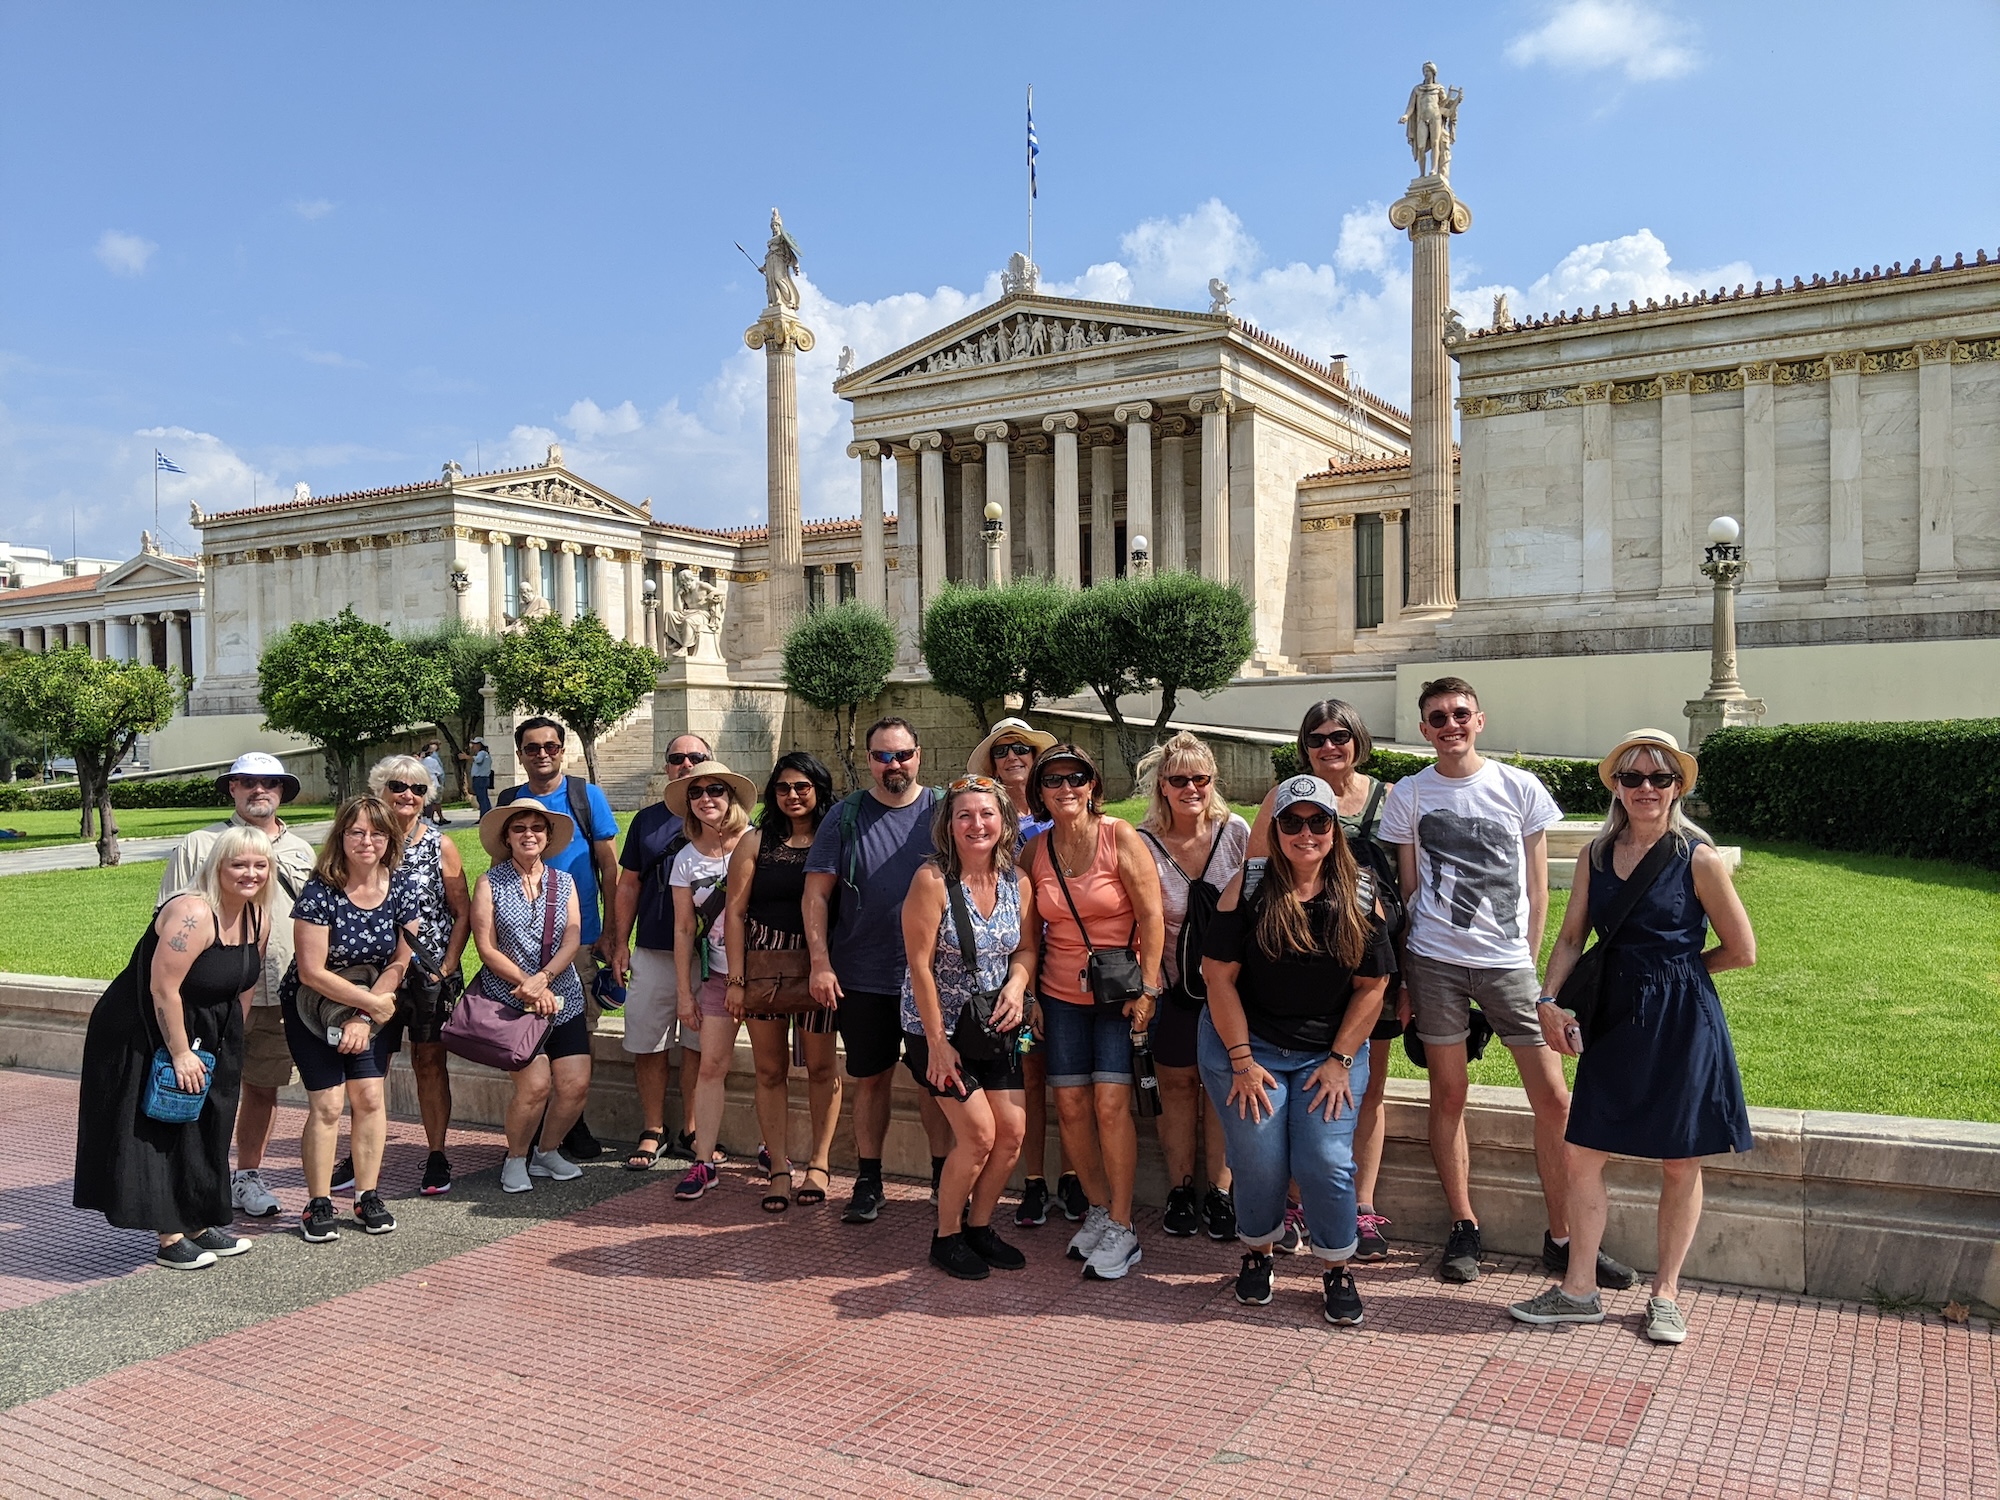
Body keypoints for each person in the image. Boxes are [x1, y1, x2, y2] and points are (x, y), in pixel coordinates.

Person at [1377, 677, 1639, 1291]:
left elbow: (1537, 887)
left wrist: (1531, 963)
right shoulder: (1410, 795)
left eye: (1460, 713)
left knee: (1554, 1100)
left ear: (1480, 719)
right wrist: (1413, 976)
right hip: (1435, 960)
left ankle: (1563, 1235)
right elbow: (1411, 891)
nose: (1450, 725)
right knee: (1449, 1094)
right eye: (1437, 717)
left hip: (1507, 963)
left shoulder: (1518, 787)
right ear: (1424, 729)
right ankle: (1463, 1224)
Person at [1510, 730, 1755, 1344]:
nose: (1647, 789)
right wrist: (1547, 1000)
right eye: (1634, 778)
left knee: (1680, 1159)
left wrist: (1677, 975)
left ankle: (1666, 1293)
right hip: (1614, 1016)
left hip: (1681, 1021)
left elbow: (1742, 950)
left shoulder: (1697, 857)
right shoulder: (1597, 855)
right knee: (1583, 1150)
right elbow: (1570, 938)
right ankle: (1579, 1288)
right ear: (1617, 786)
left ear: (1677, 787)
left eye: (1660, 778)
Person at [1198, 775, 1394, 1325]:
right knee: (1259, 1159)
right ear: (1276, 828)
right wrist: (1241, 1060)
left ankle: (1336, 1264)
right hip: (1246, 1045)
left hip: (1327, 1053)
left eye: (1318, 821)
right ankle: (1259, 1251)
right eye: (1291, 822)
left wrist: (1338, 1062)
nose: (1305, 833)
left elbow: (1371, 988)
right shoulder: (1251, 885)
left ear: (1335, 828)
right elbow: (1219, 980)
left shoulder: (1360, 893)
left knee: (1326, 1161)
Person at [1246, 699, 1403, 1260]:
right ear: (1304, 745)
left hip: (1368, 964)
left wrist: (1399, 978)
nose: (1329, 746)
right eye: (1317, 737)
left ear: (1357, 738)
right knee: (1298, 1094)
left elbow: (1406, 887)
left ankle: (1359, 1207)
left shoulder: (1389, 798)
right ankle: (1295, 1203)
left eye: (1340, 735)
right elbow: (1256, 877)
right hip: (1297, 965)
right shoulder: (1284, 798)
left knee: (1367, 1089)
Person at [76, 827, 273, 1269]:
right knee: (163, 1122)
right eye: (238, 864)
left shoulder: (257, 915)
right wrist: (181, 1053)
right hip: (147, 1027)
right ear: (217, 866)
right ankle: (170, 1237)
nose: (250, 873)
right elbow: (162, 989)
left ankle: (200, 1220)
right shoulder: (193, 913)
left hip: (211, 1029)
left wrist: (229, 1043)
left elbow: (245, 983)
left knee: (209, 1123)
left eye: (259, 865)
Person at [1022, 742, 1164, 1281]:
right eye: (1053, 781)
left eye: (1075, 778)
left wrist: (1149, 989)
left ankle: (1125, 1227)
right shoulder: (1036, 851)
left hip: (1118, 997)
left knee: (1109, 1105)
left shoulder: (1118, 837)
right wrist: (1031, 994)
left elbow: (1152, 917)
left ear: (1093, 785)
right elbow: (1028, 934)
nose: (1065, 789)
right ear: (1040, 792)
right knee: (1072, 1107)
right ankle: (1100, 1209)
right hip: (1060, 997)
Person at [804, 718, 955, 1225]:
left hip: (934, 978)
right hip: (863, 974)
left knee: (936, 1080)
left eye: (903, 754)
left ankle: (942, 1176)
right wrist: (820, 963)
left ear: (919, 754)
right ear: (868, 759)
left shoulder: (943, 810)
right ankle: (869, 1178)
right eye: (882, 756)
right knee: (870, 1079)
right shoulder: (845, 816)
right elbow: (816, 895)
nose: (894, 765)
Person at [156, 751, 315, 1221]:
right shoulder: (200, 845)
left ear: (282, 790)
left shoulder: (301, 851)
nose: (258, 790)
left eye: (268, 783)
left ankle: (245, 1175)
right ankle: (195, 1177)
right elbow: (168, 922)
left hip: (278, 992)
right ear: (232, 788)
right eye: (247, 782)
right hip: (209, 997)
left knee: (263, 1087)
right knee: (200, 1087)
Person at [901, 775, 1038, 1279]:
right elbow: (918, 966)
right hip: (937, 1031)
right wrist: (937, 1045)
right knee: (979, 1134)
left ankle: (980, 1227)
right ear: (949, 825)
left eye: (986, 814)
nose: (976, 824)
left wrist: (1018, 985)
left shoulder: (1016, 882)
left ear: (1003, 821)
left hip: (996, 1026)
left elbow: (1025, 948)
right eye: (964, 815)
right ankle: (947, 1236)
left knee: (1012, 1134)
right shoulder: (932, 882)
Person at [281, 795, 422, 1243]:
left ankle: (367, 1194)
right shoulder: (321, 889)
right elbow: (311, 970)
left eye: (377, 833)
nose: (367, 841)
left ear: (390, 839)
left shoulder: (400, 886)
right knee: (327, 1105)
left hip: (372, 1004)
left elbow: (402, 960)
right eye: (356, 832)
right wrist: (366, 1006)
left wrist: (366, 1013)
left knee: (369, 1098)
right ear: (341, 837)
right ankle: (318, 1201)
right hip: (312, 1006)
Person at [969, 718, 1082, 1230]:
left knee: (1073, 1078)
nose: (1014, 757)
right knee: (1029, 1076)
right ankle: (1035, 1179)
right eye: (1003, 751)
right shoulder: (982, 817)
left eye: (1023, 749)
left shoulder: (1058, 816)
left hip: (1064, 965)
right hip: (1010, 969)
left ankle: (1075, 1175)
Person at [1135, 731, 1247, 1241]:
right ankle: (1181, 1189)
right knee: (1177, 1087)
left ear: (1212, 781)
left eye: (1200, 778)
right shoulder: (1143, 841)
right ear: (1162, 785)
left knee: (1223, 1090)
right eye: (1179, 779)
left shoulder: (1237, 831)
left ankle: (1221, 1192)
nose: (1191, 788)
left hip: (1234, 987)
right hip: (1174, 986)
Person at [723, 752, 842, 1209]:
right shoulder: (755, 842)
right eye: (783, 787)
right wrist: (736, 979)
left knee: (821, 1068)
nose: (792, 795)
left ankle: (819, 1162)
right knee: (770, 1069)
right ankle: (777, 1166)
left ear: (818, 788)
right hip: (767, 968)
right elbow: (734, 912)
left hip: (819, 969)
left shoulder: (834, 838)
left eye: (802, 787)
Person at [499, 716, 621, 1160]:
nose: (543, 754)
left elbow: (610, 868)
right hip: (522, 947)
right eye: (533, 748)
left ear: (563, 748)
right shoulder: (510, 801)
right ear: (521, 755)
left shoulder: (585, 797)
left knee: (579, 1030)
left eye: (551, 746)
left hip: (581, 937)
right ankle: (534, 1120)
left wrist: (611, 931)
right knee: (529, 1030)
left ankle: (573, 1120)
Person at [468, 803, 591, 1194]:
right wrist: (527, 984)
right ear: (506, 837)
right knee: (535, 1086)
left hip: (563, 996)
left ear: (548, 836)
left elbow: (573, 936)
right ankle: (516, 1158)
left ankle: (547, 1150)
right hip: (511, 1001)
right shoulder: (490, 883)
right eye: (519, 828)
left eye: (537, 828)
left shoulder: (564, 882)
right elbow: (486, 947)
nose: (529, 834)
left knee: (574, 1085)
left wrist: (545, 979)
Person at [366, 754, 471, 1196]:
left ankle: (436, 1154)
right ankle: (360, 1153)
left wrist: (446, 967)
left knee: (430, 1062)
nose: (408, 796)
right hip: (372, 971)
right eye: (398, 786)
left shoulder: (439, 844)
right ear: (379, 790)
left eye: (418, 789)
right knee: (369, 1066)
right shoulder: (365, 841)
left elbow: (462, 910)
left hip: (427, 972)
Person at [610, 733, 712, 1171]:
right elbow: (628, 883)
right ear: (667, 767)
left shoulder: (726, 822)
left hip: (709, 956)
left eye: (696, 757)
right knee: (648, 1042)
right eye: (676, 758)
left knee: (698, 1046)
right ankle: (654, 1127)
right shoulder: (647, 822)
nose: (686, 764)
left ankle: (692, 1126)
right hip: (654, 948)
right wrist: (619, 942)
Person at [665, 761, 757, 1201]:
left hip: (764, 975)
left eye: (716, 789)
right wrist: (685, 993)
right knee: (710, 1067)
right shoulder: (685, 858)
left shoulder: (757, 841)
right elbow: (684, 929)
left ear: (732, 795)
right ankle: (703, 1161)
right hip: (718, 974)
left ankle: (773, 1152)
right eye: (696, 793)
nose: (707, 799)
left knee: (772, 1068)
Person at [421, 742, 450, 825]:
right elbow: (439, 773)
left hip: (424, 782)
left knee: (427, 803)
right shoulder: (433, 761)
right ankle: (431, 820)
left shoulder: (421, 761)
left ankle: (427, 820)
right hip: (434, 782)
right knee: (434, 802)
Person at [468, 738, 494, 816]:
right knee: (484, 798)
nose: (473, 746)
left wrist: (467, 757)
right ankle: (488, 814)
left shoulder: (482, 753)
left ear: (480, 745)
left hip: (480, 778)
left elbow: (478, 760)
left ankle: (484, 815)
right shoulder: (485, 754)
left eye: (475, 744)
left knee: (481, 798)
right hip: (483, 778)